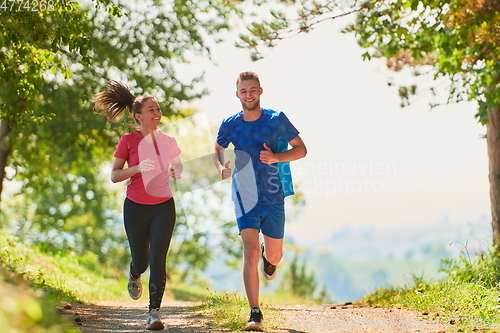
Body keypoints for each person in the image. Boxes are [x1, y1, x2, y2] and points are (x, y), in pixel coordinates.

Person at [212, 72, 307, 331]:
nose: (249, 94)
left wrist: (276, 157)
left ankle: (270, 257)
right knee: (250, 251)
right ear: (237, 94)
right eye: (244, 91)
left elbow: (301, 150)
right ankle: (255, 312)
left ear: (260, 91)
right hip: (244, 196)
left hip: (273, 195)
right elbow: (217, 149)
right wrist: (221, 167)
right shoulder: (230, 124)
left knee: (274, 255)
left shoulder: (276, 119)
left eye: (253, 90)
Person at [94, 80, 183, 330]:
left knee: (158, 259)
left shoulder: (168, 140)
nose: (157, 113)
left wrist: (177, 169)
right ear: (138, 116)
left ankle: (153, 313)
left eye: (158, 109)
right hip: (135, 206)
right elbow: (114, 175)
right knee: (142, 260)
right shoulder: (128, 141)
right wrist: (136, 168)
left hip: (164, 205)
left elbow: (178, 163)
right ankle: (134, 273)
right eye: (151, 110)